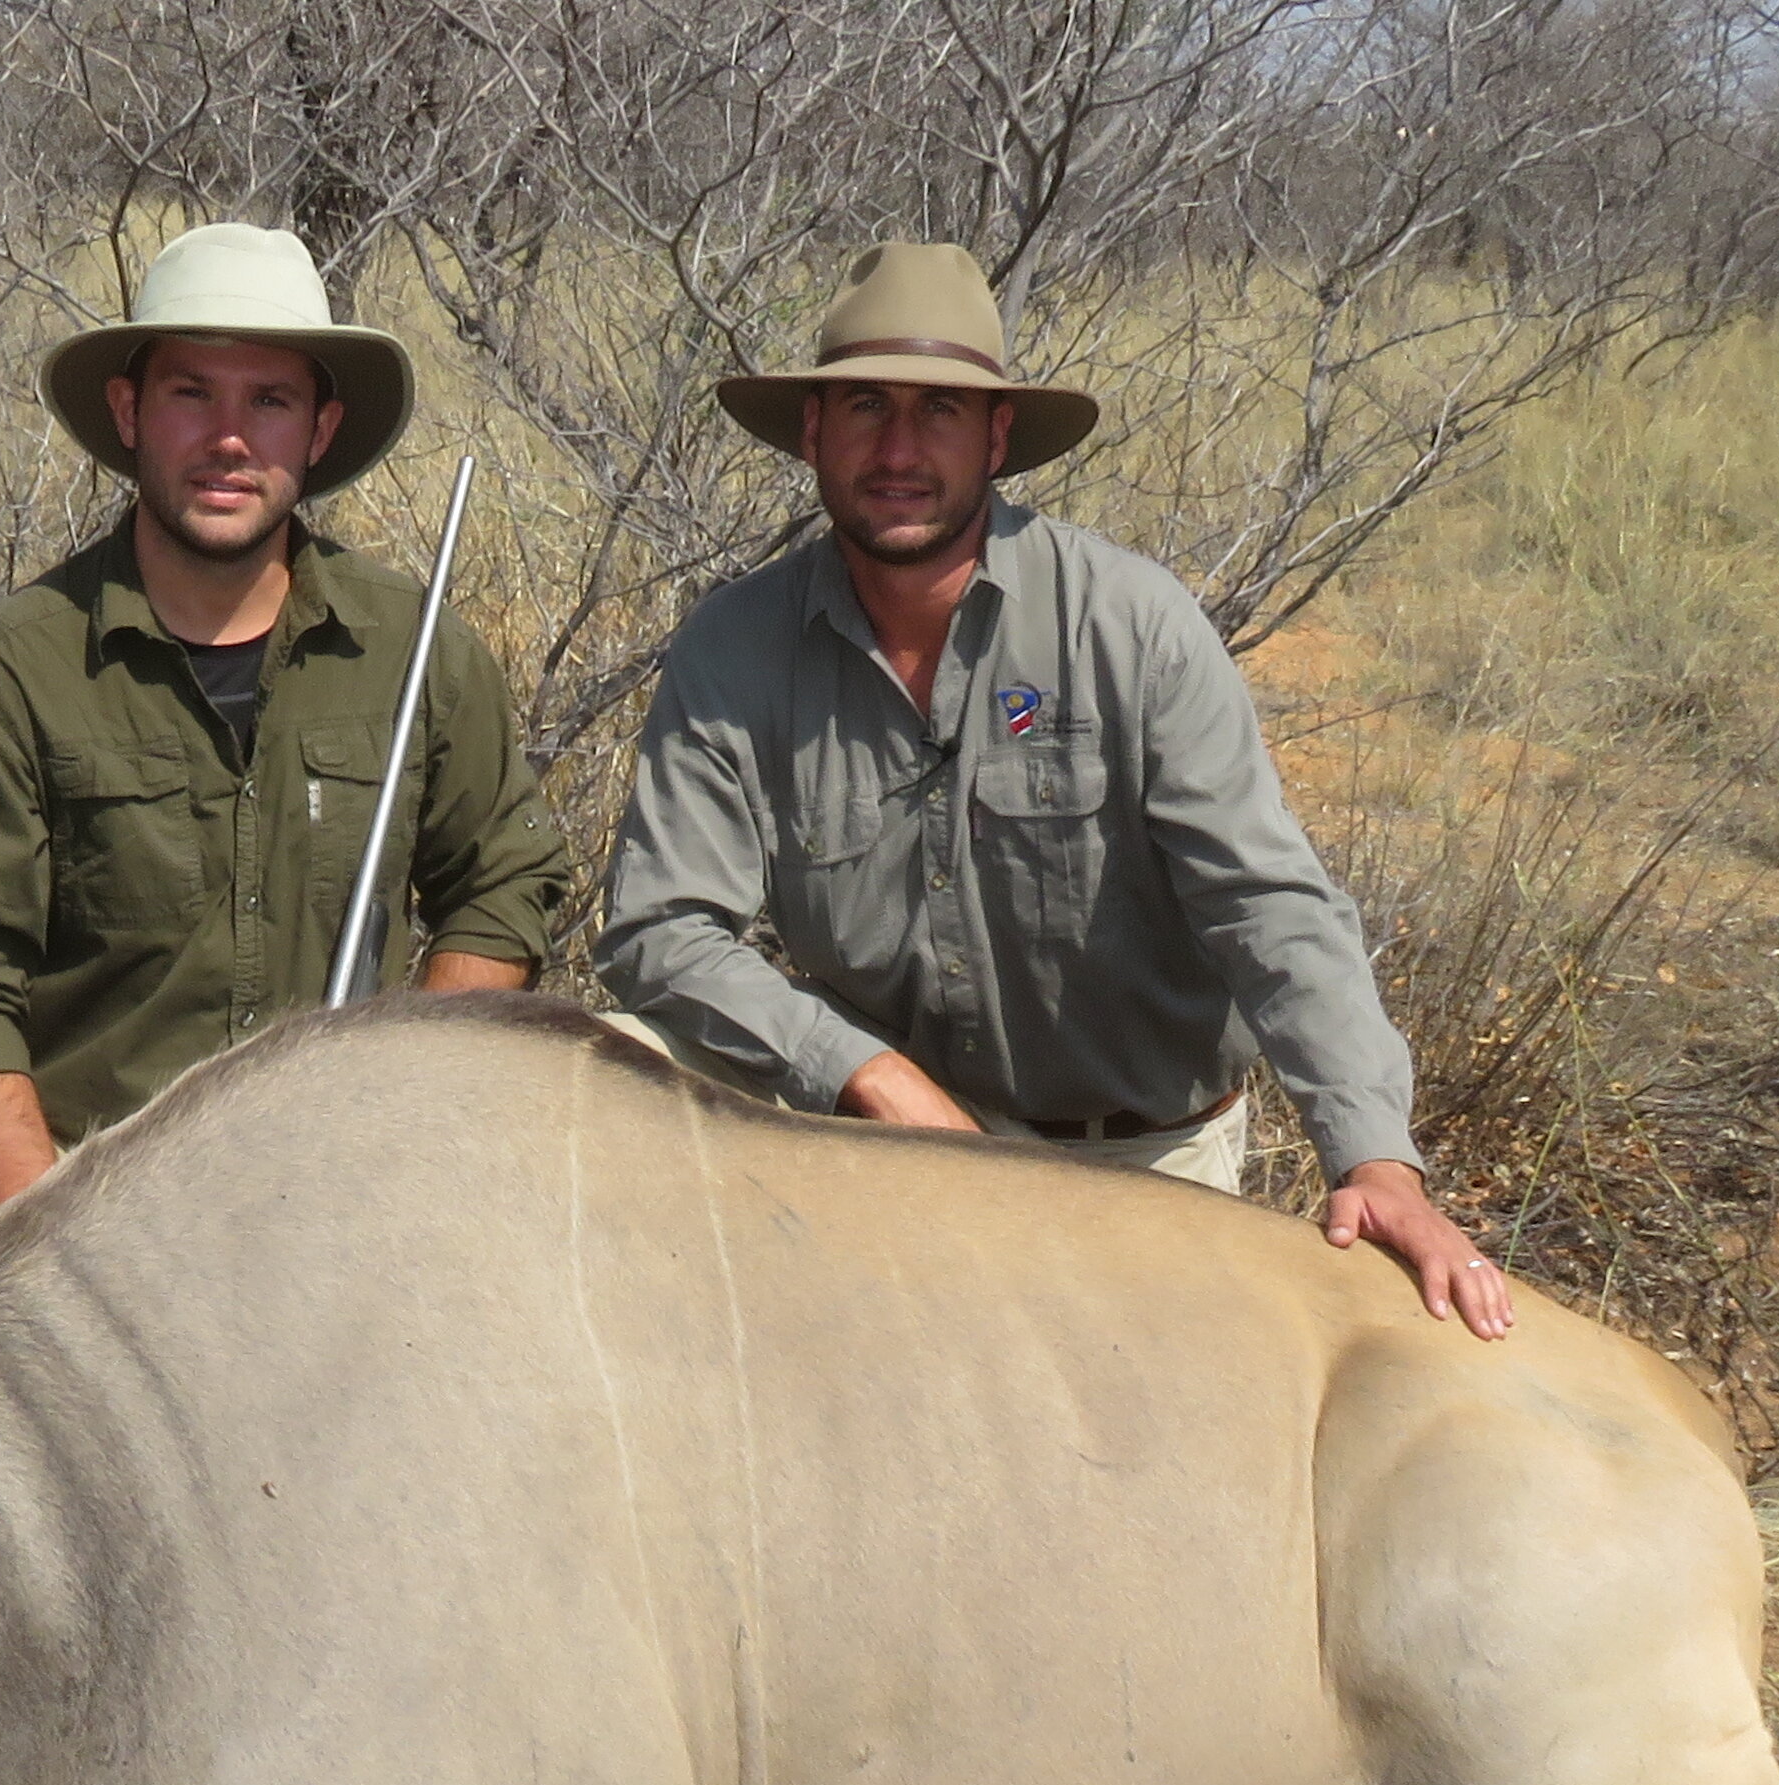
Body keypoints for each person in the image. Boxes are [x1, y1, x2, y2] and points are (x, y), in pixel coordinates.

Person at [594, 242, 1512, 1338]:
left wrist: (1375, 1158)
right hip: (885, 1139)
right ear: (811, 433)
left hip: (1138, 1154)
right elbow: (663, 931)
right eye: (865, 407)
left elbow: (1266, 902)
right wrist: (869, 1074)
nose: (897, 449)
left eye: (939, 410)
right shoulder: (733, 648)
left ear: (996, 439)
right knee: (622, 1060)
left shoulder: (1129, 625)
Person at [0, 224, 570, 1286]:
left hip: (357, 1170)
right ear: (130, 413)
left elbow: (504, 878)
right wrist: (58, 1232)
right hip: (72, 1178)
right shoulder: (10, 667)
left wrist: (413, 1102)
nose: (229, 439)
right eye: (193, 395)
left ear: (320, 428)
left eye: (268, 401)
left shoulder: (418, 651)